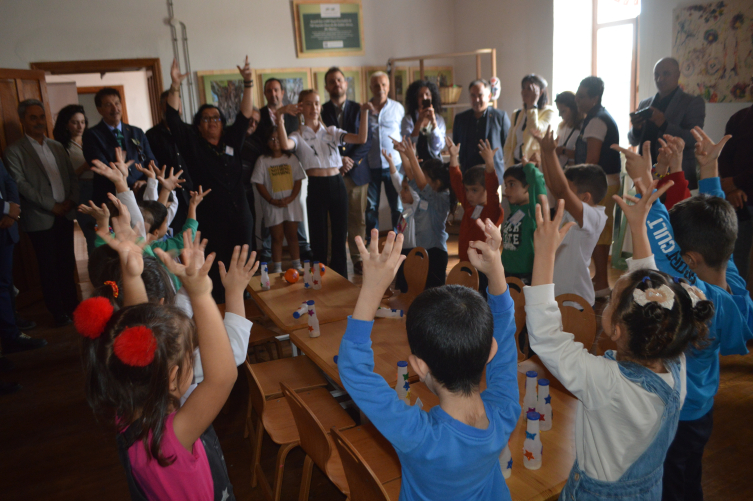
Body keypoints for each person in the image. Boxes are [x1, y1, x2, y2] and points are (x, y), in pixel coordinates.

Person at [527, 185, 712, 500]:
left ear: (615, 330)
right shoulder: (675, 358)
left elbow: (546, 336)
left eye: (612, 299)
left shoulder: (606, 383)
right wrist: (638, 228)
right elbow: (652, 293)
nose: (608, 299)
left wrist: (544, 255)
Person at [338, 221, 520, 501]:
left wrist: (372, 289)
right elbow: (505, 337)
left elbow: (354, 372)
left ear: (420, 366)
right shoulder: (505, 411)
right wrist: (496, 271)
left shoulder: (420, 438)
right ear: (489, 351)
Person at [616, 128, 753, 501]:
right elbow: (720, 226)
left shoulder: (698, 296)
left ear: (688, 260)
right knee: (688, 478)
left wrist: (644, 182)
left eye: (681, 254)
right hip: (699, 410)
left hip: (676, 415)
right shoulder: (734, 285)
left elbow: (664, 251)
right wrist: (708, 172)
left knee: (672, 486)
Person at [74, 224, 243, 500]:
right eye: (190, 357)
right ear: (173, 378)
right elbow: (221, 378)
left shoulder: (127, 408)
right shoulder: (171, 438)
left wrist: (132, 274)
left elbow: (137, 332)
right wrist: (200, 293)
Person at [165, 57, 255, 303]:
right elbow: (173, 118)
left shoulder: (231, 141)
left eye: (216, 118)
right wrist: (175, 86)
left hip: (241, 214)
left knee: (243, 261)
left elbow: (245, 115)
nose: (212, 121)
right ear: (198, 126)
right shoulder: (193, 145)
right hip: (212, 217)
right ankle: (219, 307)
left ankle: (244, 302)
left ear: (222, 123)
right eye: (206, 118)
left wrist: (248, 82)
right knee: (217, 263)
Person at [277, 89, 371, 278]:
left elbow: (361, 139)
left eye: (317, 103)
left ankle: (340, 280)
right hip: (316, 186)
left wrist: (364, 112)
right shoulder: (298, 134)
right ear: (300, 108)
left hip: (337, 184)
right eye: (309, 103)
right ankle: (318, 281)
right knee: (318, 238)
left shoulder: (331, 131)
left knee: (339, 237)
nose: (314, 107)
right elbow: (285, 145)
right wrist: (280, 116)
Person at [3, 99, 80, 327]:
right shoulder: (14, 151)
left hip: (65, 213)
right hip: (40, 218)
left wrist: (71, 200)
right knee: (49, 268)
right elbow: (20, 184)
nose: (38, 122)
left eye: (41, 117)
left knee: (67, 264)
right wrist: (51, 205)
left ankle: (74, 307)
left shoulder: (57, 146)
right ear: (22, 120)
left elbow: (72, 176)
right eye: (32, 117)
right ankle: (58, 312)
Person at [534, 126, 607, 306]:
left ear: (585, 197)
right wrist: (545, 151)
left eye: (569, 188)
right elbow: (553, 185)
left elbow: (560, 189)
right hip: (559, 296)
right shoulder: (569, 209)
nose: (563, 193)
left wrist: (550, 152)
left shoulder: (595, 216)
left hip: (576, 301)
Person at [321, 67, 372, 275]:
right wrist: (338, 160)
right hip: (332, 173)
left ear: (346, 83)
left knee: (357, 218)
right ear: (326, 87)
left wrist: (351, 160)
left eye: (339, 80)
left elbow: (368, 140)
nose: (336, 84)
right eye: (332, 81)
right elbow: (320, 141)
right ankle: (331, 259)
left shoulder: (359, 109)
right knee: (331, 220)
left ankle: (358, 258)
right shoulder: (320, 111)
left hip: (356, 173)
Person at [573, 76, 621, 297]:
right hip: (606, 182)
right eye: (577, 95)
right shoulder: (597, 117)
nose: (577, 100)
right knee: (599, 230)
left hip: (603, 184)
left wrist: (574, 182)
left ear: (595, 98)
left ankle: (601, 282)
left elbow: (591, 159)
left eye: (581, 96)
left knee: (599, 231)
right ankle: (599, 278)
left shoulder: (597, 121)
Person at [253, 79, 310, 262]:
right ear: (265, 93)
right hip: (268, 171)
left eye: (276, 90)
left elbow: (299, 139)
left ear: (282, 92)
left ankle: (303, 249)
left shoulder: (293, 114)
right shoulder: (259, 116)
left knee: (296, 213)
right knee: (269, 219)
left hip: (292, 169)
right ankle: (267, 253)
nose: (273, 94)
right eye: (269, 90)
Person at [628, 57, 705, 189]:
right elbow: (633, 141)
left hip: (675, 175)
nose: (660, 79)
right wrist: (636, 128)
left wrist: (664, 124)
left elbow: (693, 139)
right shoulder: (645, 103)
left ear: (677, 75)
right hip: (646, 175)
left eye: (666, 74)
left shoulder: (692, 103)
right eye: (656, 74)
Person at [0, 159, 45, 373]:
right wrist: (6, 208)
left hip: (6, 225)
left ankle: (11, 336)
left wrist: (12, 209)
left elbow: (8, 180)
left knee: (5, 284)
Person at [391, 138, 454, 290]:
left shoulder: (442, 197)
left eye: (425, 176)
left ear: (437, 182)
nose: (420, 179)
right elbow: (411, 176)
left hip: (436, 253)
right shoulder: (425, 195)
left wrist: (412, 156)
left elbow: (420, 183)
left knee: (434, 294)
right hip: (423, 251)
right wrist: (402, 153)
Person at [448, 137, 503, 295]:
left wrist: (490, 164)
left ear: (486, 190)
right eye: (467, 190)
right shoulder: (469, 206)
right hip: (465, 264)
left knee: (482, 301)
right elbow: (456, 182)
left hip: (483, 267)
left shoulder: (492, 211)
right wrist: (453, 157)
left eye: (474, 190)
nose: (469, 195)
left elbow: (492, 188)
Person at [83, 87, 156, 205]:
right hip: (111, 198)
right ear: (99, 109)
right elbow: (102, 166)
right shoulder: (91, 135)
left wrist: (145, 181)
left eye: (117, 103)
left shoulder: (136, 132)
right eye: (108, 105)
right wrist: (134, 184)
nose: (115, 108)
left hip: (143, 195)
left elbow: (151, 161)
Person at [251, 127, 305, 273]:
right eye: (272, 139)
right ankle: (278, 268)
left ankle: (297, 265)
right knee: (277, 237)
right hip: (272, 206)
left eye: (278, 138)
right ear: (267, 142)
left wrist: (291, 198)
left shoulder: (291, 158)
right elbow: (259, 183)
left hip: (291, 204)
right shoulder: (263, 160)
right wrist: (271, 200)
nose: (275, 142)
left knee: (293, 236)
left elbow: (298, 180)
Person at [145, 90, 195, 233]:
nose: (174, 108)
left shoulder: (190, 131)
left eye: (177, 104)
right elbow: (151, 164)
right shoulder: (151, 135)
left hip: (192, 190)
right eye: (169, 104)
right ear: (161, 107)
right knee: (174, 233)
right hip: (169, 195)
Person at [719, 78, 753, 280]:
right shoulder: (739, 118)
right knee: (736, 256)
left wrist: (736, 182)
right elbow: (724, 157)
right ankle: (738, 298)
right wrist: (731, 188)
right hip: (739, 201)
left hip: (741, 189)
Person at [365, 71, 405, 239]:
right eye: (376, 85)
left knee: (398, 207)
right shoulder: (365, 109)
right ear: (370, 88)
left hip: (394, 165)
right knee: (370, 208)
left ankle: (401, 241)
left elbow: (404, 134)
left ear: (388, 87)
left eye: (383, 85)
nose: (380, 88)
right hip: (370, 165)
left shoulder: (398, 108)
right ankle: (371, 242)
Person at [53, 104, 97, 252]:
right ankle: (96, 265)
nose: (80, 126)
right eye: (75, 122)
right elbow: (63, 177)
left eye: (83, 122)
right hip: (82, 190)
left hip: (99, 186)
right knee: (92, 235)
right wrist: (84, 167)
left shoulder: (90, 140)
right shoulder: (62, 147)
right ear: (66, 124)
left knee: (108, 232)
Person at [452, 79, 510, 179]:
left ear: (489, 96)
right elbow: (456, 144)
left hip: (493, 174)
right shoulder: (460, 119)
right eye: (473, 96)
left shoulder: (500, 117)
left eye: (480, 95)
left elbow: (508, 145)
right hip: (468, 175)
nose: (477, 99)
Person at [501, 162, 546, 284]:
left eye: (512, 184)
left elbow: (538, 184)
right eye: (506, 185)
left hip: (525, 274)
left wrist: (529, 168)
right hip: (506, 271)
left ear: (527, 186)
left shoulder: (534, 211)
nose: (506, 190)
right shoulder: (515, 209)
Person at [503, 74, 555, 168]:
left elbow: (535, 130)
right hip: (515, 164)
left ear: (541, 92)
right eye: (523, 88)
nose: (524, 92)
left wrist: (532, 105)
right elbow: (508, 144)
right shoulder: (517, 114)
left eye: (530, 89)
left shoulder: (548, 112)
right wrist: (510, 165)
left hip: (534, 165)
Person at [401, 79, 446, 162]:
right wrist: (419, 121)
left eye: (427, 95)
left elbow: (438, 146)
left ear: (432, 97)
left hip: (435, 164)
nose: (424, 98)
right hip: (415, 163)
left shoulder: (439, 119)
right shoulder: (408, 119)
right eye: (420, 96)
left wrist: (434, 123)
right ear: (415, 98)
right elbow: (408, 144)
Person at [554, 91, 583, 169]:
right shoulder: (562, 126)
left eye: (563, 111)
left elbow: (581, 154)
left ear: (574, 109)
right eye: (559, 111)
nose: (559, 115)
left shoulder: (581, 127)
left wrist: (562, 151)